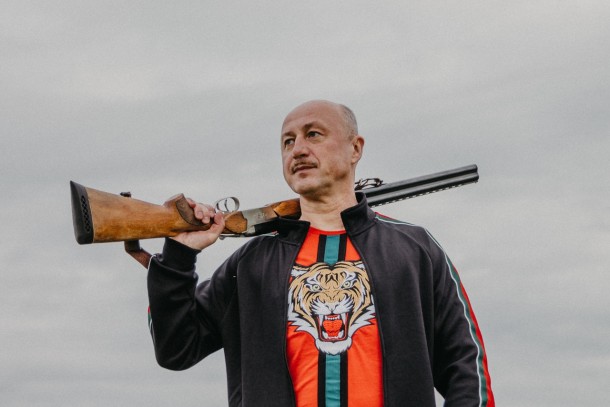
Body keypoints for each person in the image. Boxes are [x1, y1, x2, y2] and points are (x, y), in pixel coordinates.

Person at [147, 100, 495, 406]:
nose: (298, 149)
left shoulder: (414, 250)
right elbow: (176, 348)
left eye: (313, 134)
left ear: (355, 148)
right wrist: (178, 255)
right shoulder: (251, 262)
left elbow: (466, 369)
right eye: (288, 141)